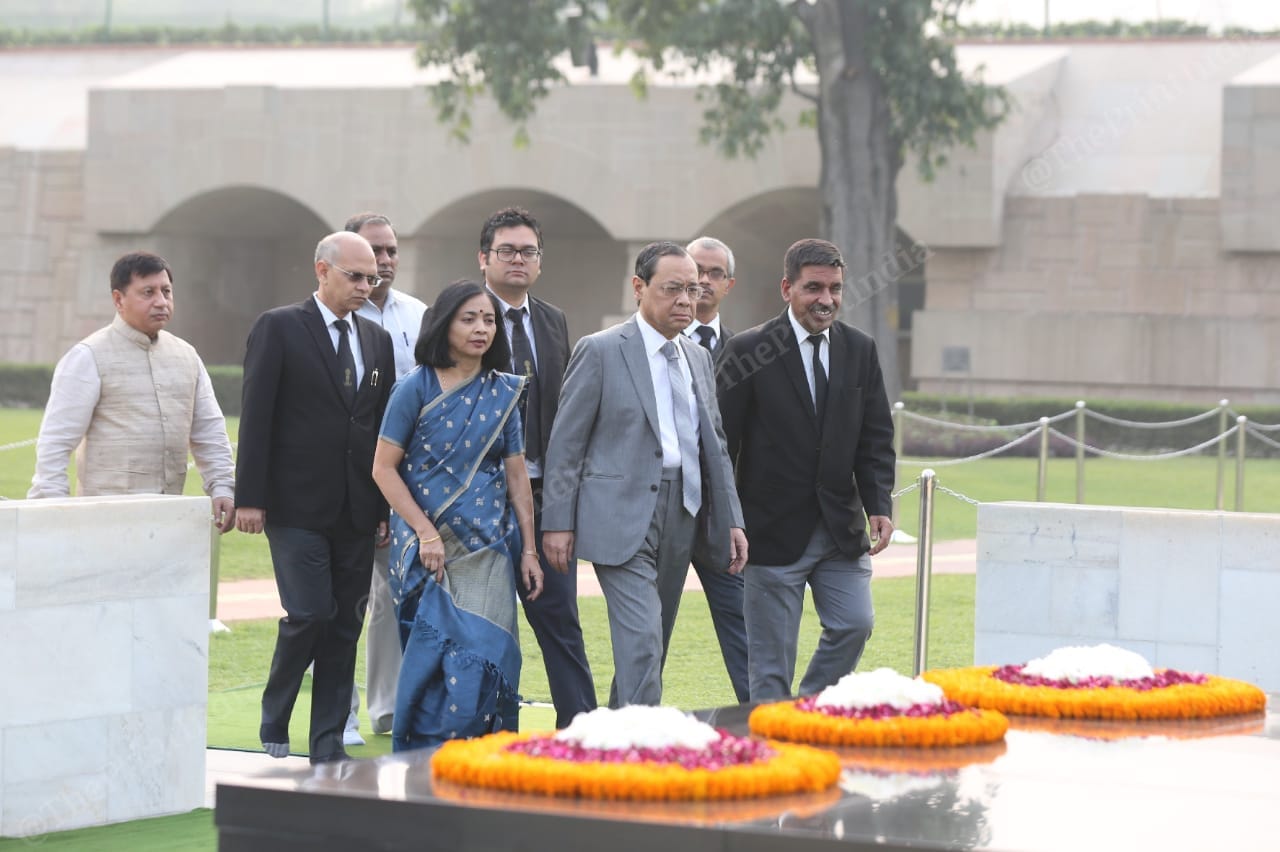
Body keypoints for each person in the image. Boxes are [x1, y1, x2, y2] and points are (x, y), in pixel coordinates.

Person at [542, 241, 747, 708]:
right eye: (672, 289)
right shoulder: (599, 351)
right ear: (639, 287)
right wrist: (556, 522)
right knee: (643, 643)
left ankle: (621, 729)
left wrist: (733, 519)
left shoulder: (697, 357)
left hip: (685, 513)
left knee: (653, 645)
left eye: (692, 290)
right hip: (619, 516)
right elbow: (567, 444)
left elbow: (714, 444)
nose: (686, 300)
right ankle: (641, 743)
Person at [235, 231, 395, 764]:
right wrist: (249, 496)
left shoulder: (377, 340)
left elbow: (379, 428)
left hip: (358, 508)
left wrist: (382, 508)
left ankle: (327, 743)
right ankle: (276, 709)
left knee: (345, 626)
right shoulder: (279, 326)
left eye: (372, 278)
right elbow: (256, 414)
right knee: (309, 613)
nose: (366, 286)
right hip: (294, 506)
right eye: (356, 276)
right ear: (322, 271)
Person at [717, 238, 896, 702]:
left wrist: (879, 504)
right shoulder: (747, 350)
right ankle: (775, 740)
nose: (826, 299)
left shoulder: (860, 349)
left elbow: (875, 437)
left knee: (855, 624)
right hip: (770, 533)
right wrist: (729, 520)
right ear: (787, 288)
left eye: (835, 288)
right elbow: (721, 445)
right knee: (770, 667)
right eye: (814, 287)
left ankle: (809, 707)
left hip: (840, 529)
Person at [371, 279, 544, 751]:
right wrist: (426, 533)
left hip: (487, 548)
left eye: (488, 320)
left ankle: (483, 759)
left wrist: (529, 550)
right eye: (468, 319)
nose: (481, 329)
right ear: (444, 325)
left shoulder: (503, 392)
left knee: (485, 658)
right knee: (434, 662)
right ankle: (428, 763)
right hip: (426, 551)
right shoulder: (414, 387)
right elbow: (383, 469)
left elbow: (517, 479)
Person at [477, 206, 596, 729]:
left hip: (546, 496)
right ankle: (490, 732)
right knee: (487, 625)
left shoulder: (552, 320)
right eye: (506, 250)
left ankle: (582, 730)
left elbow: (565, 416)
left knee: (560, 619)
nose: (518, 260)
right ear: (484, 258)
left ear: (540, 261)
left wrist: (565, 506)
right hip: (481, 496)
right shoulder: (464, 315)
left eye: (528, 251)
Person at [28, 251, 235, 534]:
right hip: (102, 523)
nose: (161, 301)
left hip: (171, 521)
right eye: (148, 292)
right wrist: (52, 507)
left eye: (166, 291)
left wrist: (222, 486)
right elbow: (56, 441)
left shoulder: (187, 356)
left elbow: (210, 432)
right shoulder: (88, 356)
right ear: (118, 299)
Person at [344, 212, 428, 746]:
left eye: (392, 250)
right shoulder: (327, 318)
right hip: (346, 477)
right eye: (375, 251)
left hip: (406, 479)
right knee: (341, 599)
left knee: (393, 592)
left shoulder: (420, 316)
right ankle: (340, 711)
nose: (385, 260)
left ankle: (389, 706)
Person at [680, 235, 749, 704]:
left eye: (715, 273)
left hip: (723, 520)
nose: (704, 281)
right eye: (696, 271)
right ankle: (626, 730)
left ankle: (763, 723)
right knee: (646, 635)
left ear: (728, 285)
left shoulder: (748, 351)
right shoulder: (646, 344)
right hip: (658, 512)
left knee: (745, 631)